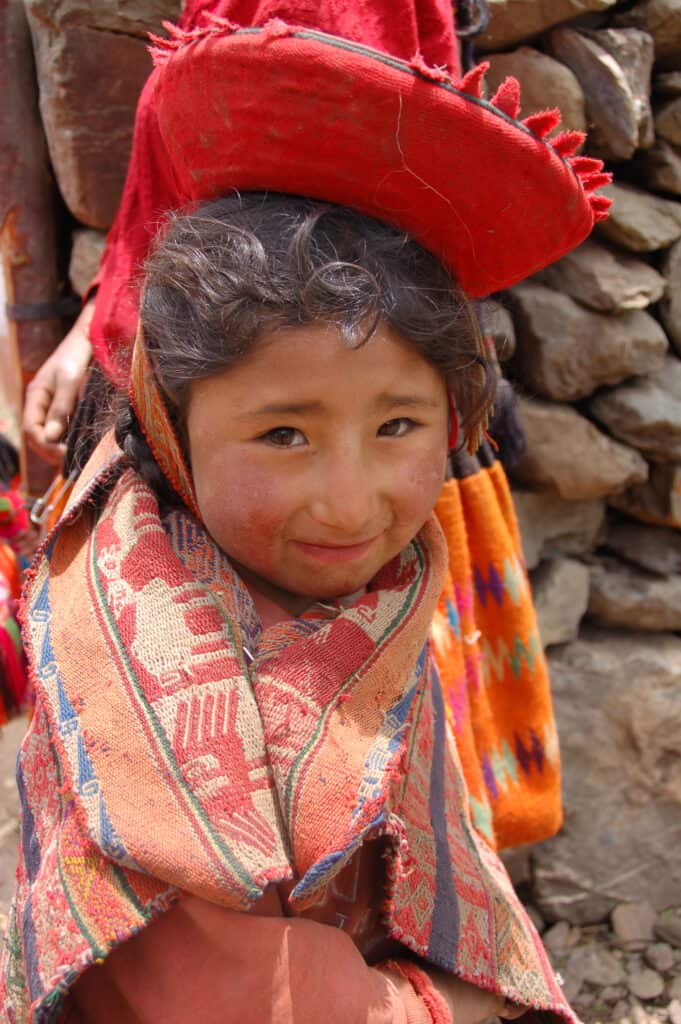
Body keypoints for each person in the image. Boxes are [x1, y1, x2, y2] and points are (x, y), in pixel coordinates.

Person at [2, 9, 612, 1023]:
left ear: (456, 420)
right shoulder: (144, 656)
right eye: (284, 433)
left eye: (399, 425)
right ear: (171, 417)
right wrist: (452, 1004)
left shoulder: (357, 586)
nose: (351, 500)